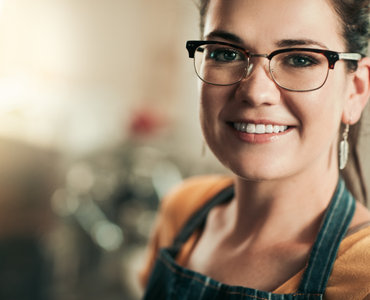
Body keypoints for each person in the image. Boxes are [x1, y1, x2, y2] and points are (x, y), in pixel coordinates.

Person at [139, 0, 370, 298]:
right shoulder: (182, 208)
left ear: (356, 90)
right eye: (225, 53)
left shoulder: (363, 274)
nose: (255, 92)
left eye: (300, 59)